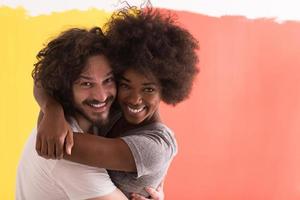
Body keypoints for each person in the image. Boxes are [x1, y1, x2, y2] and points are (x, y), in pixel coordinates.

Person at [31, 7, 199, 199]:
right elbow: (45, 79)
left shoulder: (154, 149)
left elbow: (55, 145)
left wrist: (51, 114)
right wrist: (51, 108)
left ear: (167, 88)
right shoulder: (116, 106)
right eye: (126, 85)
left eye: (148, 89)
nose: (135, 99)